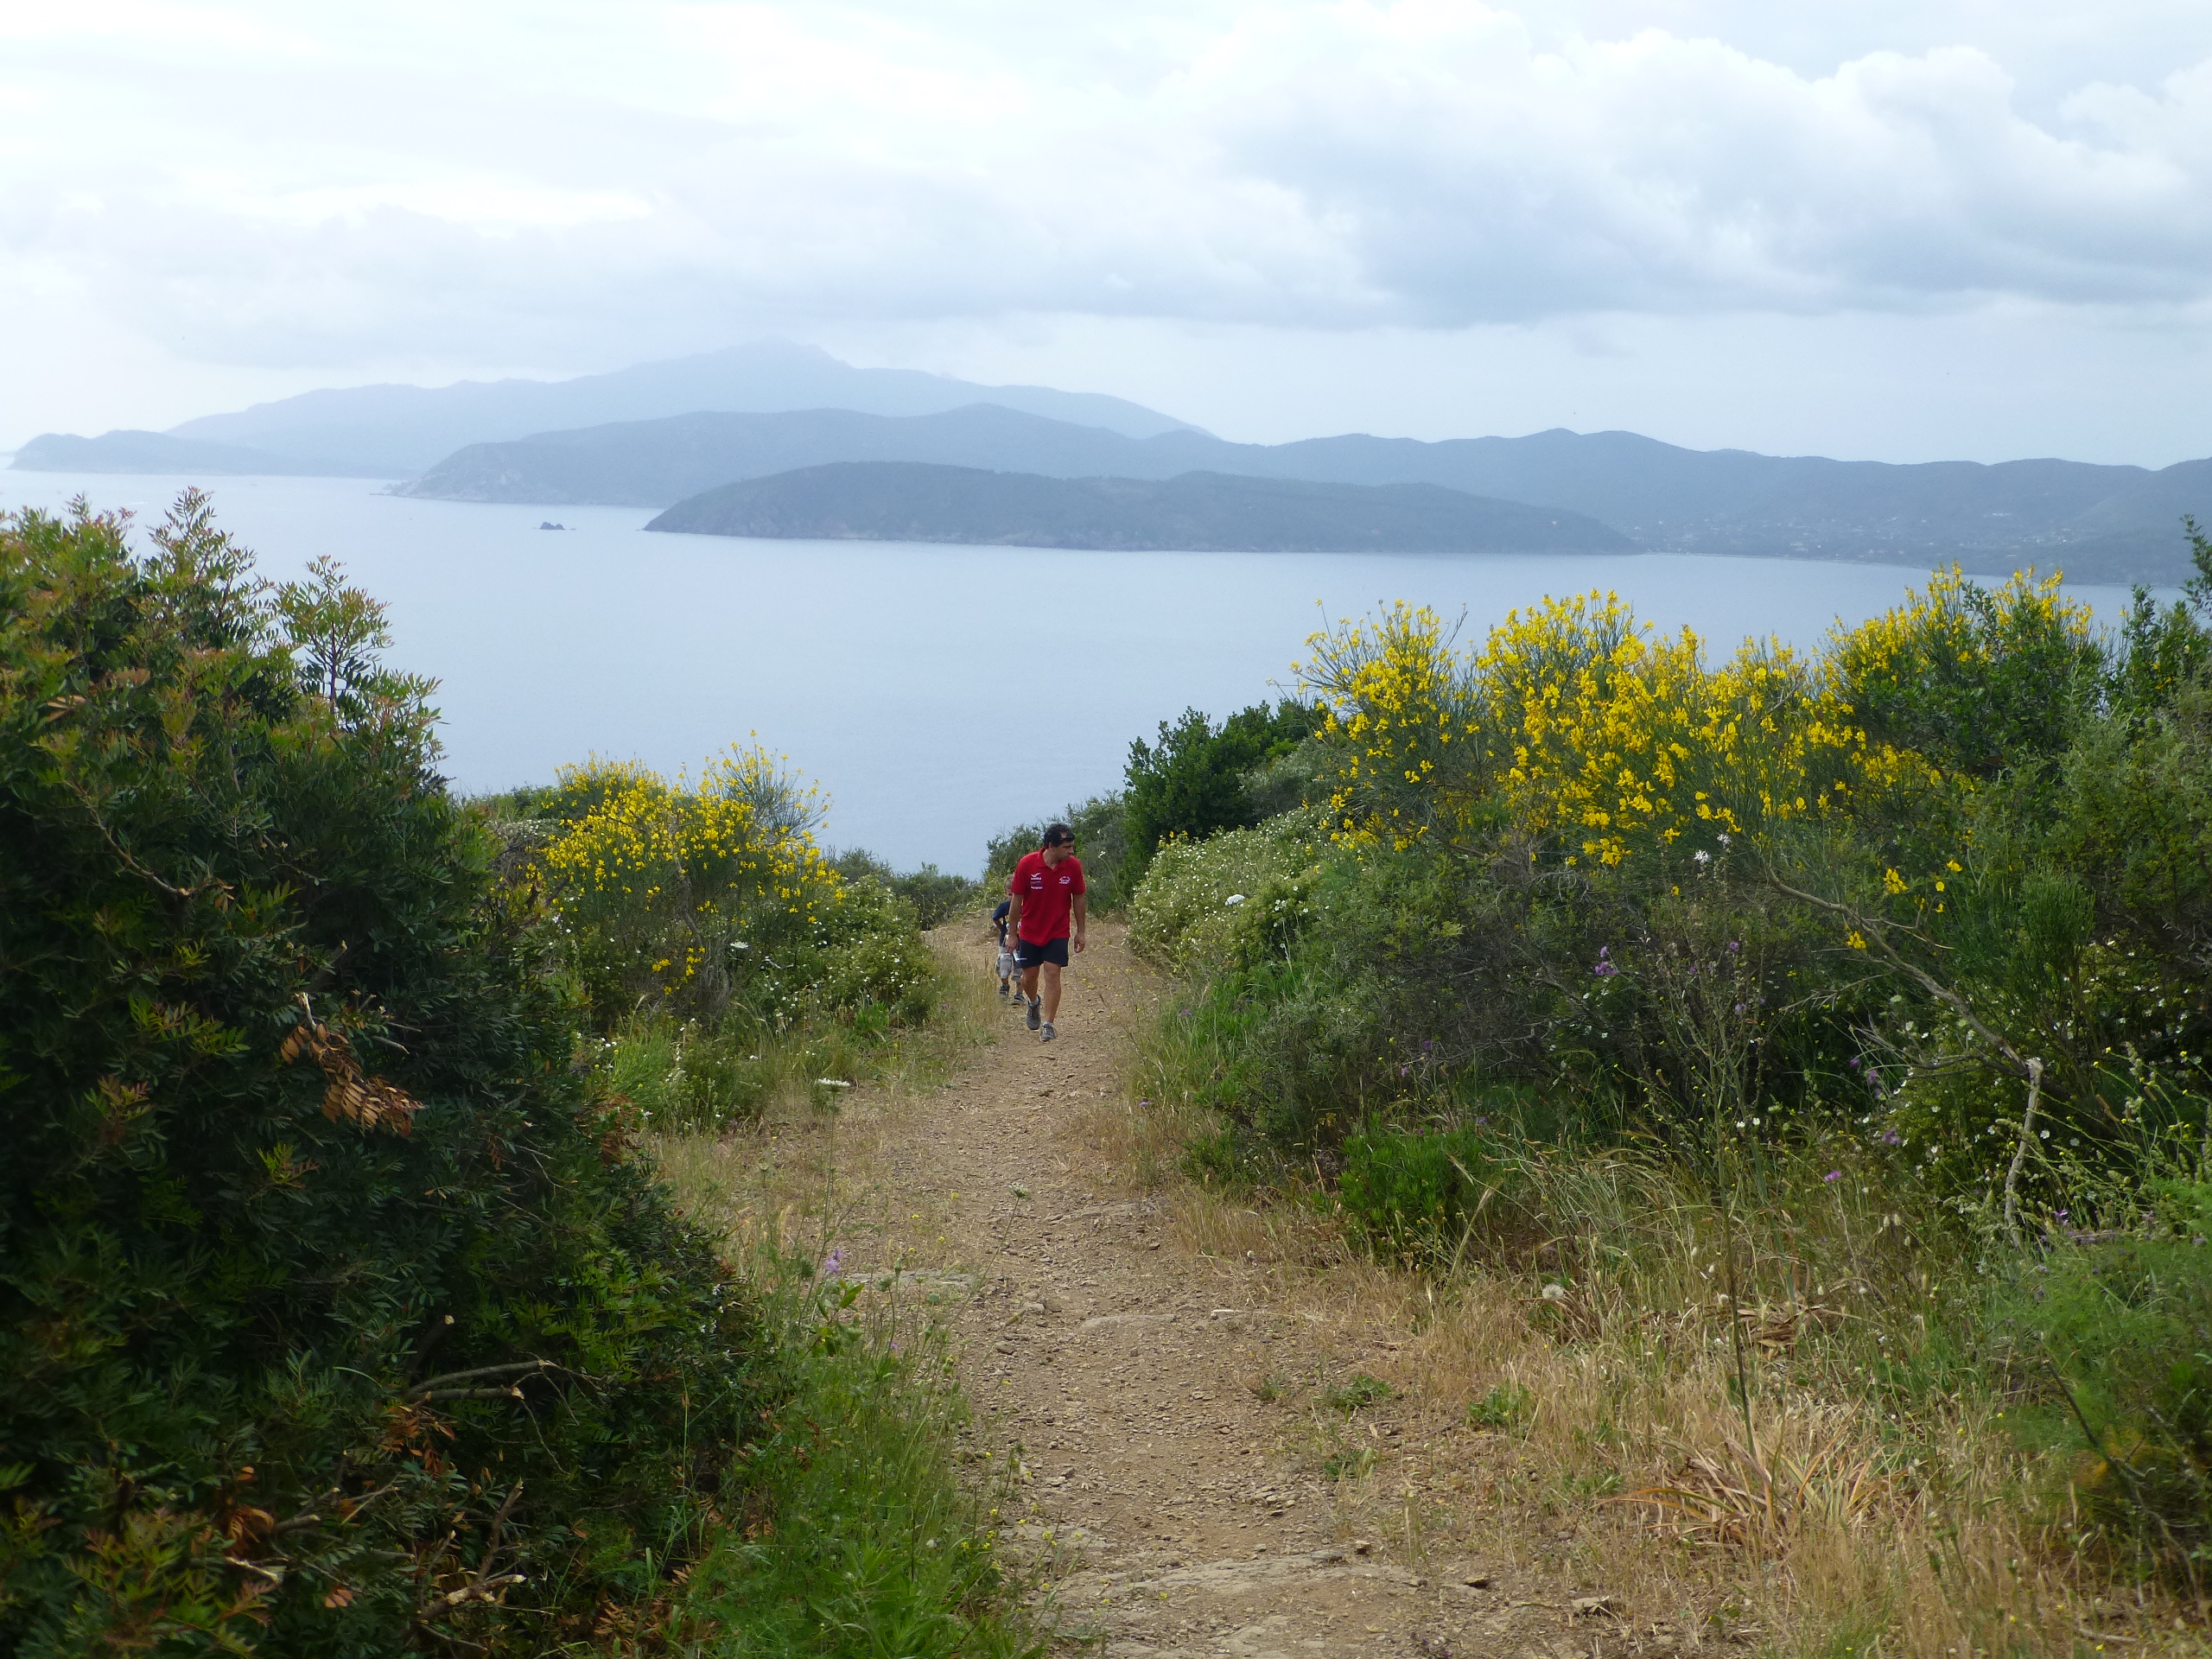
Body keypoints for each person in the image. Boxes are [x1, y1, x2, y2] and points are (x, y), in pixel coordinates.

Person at [1005, 823, 1085, 1042]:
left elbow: (1079, 898)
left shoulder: (1073, 867)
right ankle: (1033, 1002)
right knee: (1029, 977)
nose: (1071, 851)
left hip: (1058, 931)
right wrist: (1012, 933)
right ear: (1051, 846)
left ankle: (1049, 1024)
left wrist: (1081, 931)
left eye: (1072, 847)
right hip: (1030, 932)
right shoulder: (1027, 864)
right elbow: (1016, 901)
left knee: (1052, 973)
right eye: (1067, 847)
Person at [991, 898, 1016, 998]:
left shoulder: (1025, 905)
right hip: (1005, 942)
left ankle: (1019, 994)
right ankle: (1005, 985)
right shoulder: (1004, 906)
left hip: (1022, 941)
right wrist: (1003, 929)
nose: (1012, 897)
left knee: (1020, 969)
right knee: (1003, 966)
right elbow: (995, 918)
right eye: (1010, 894)